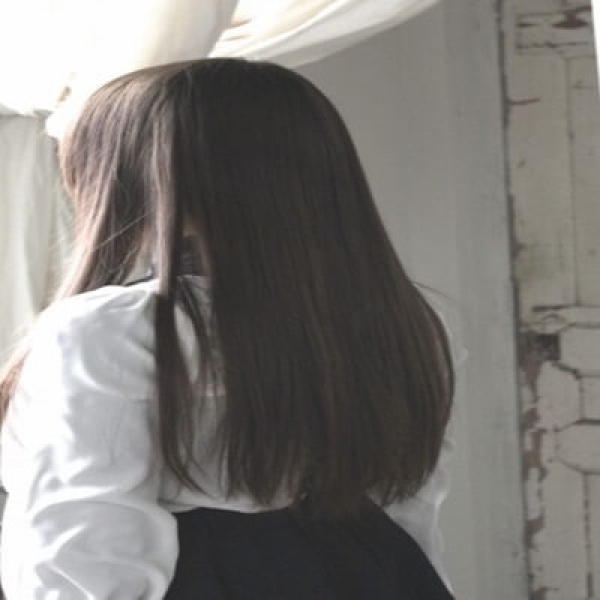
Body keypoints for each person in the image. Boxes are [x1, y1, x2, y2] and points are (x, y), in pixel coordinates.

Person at [0, 58, 457, 599]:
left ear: (138, 185)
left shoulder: (115, 330)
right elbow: (409, 519)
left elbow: (84, 545)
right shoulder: (401, 324)